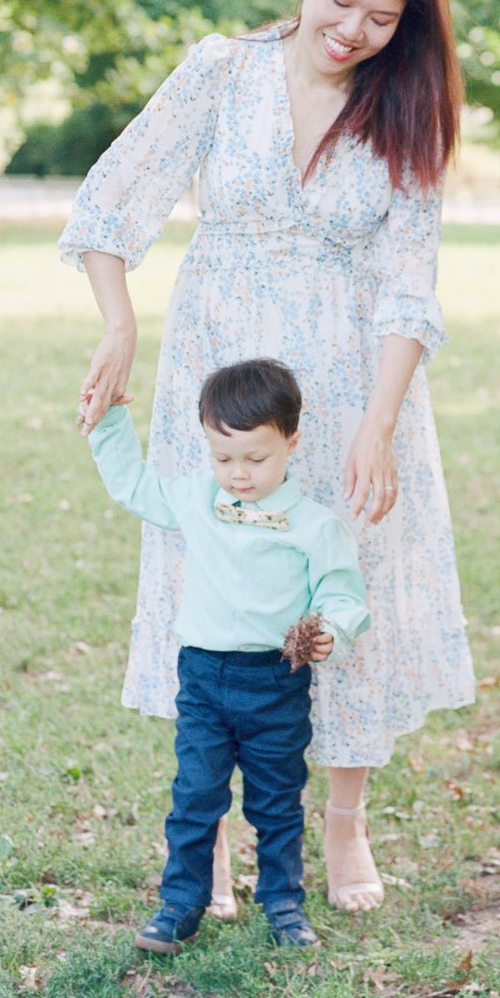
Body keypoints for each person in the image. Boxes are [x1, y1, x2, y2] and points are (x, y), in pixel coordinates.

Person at [62, 0, 475, 917]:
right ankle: (203, 839)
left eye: (383, 18)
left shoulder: (406, 104)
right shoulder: (221, 67)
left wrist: (379, 424)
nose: (354, 30)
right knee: (214, 584)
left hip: (346, 390)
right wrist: (118, 323)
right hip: (221, 374)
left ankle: (342, 820)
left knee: (336, 585)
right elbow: (115, 198)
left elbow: (409, 283)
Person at [87, 358, 370, 952]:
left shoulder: (315, 527)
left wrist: (333, 632)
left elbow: (343, 595)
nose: (238, 475)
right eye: (223, 458)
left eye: (255, 458)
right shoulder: (195, 499)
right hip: (204, 677)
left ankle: (283, 902)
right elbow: (134, 486)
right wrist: (109, 421)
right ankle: (181, 903)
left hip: (275, 680)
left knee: (276, 798)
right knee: (195, 795)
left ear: (291, 442)